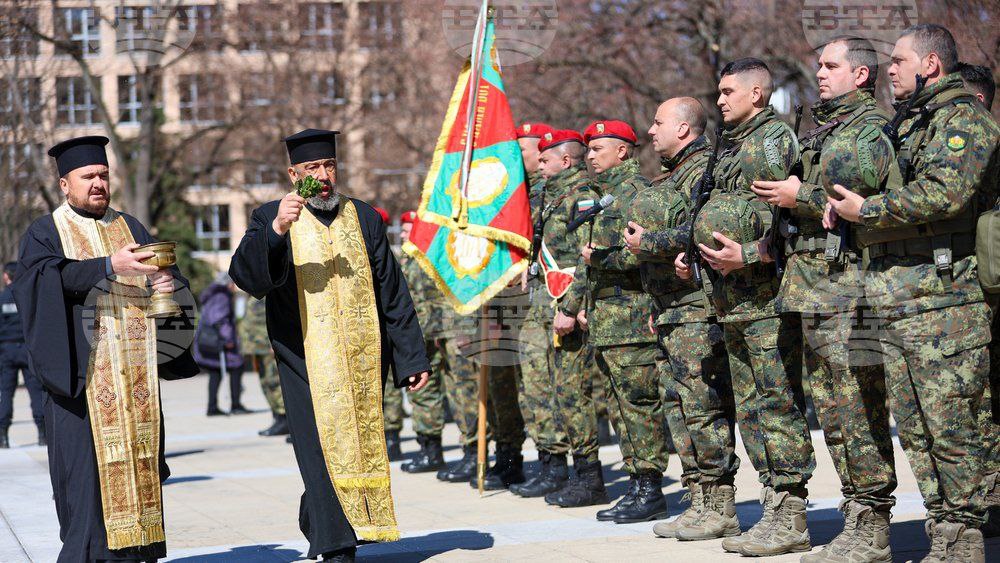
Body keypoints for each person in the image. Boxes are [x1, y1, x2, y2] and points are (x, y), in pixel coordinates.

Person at [827, 24, 1000, 561]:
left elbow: (946, 194)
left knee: (953, 425)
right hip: (900, 296)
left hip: (945, 300)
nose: (891, 70)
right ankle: (944, 532)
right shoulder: (911, 124)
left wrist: (866, 211)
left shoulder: (964, 120)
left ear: (930, 64)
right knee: (920, 431)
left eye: (899, 61)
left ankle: (967, 536)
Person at [229, 128, 430, 562]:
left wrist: (411, 356)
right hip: (303, 358)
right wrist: (278, 230)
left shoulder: (364, 216)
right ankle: (337, 545)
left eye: (329, 166)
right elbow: (247, 277)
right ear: (293, 173)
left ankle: (320, 519)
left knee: (354, 446)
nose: (323, 176)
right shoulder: (270, 215)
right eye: (312, 168)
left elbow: (391, 289)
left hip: (362, 357)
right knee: (318, 450)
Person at [741, 37, 899, 562]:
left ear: (860, 75)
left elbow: (857, 203)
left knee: (857, 406)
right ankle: (856, 515)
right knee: (833, 409)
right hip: (812, 284)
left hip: (848, 286)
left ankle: (872, 523)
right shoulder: (825, 128)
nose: (821, 72)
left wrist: (798, 196)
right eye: (819, 64)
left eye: (832, 66)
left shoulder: (869, 129)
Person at [14, 135, 200, 562]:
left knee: (142, 483)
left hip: (134, 388)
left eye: (103, 174)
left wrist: (170, 285)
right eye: (88, 177)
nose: (98, 183)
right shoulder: (45, 232)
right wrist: (106, 266)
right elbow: (43, 283)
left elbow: (168, 278)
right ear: (65, 184)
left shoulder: (131, 227)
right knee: (85, 497)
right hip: (80, 387)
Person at [684, 58, 816, 556]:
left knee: (777, 403)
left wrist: (751, 254)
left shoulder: (771, 139)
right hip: (730, 300)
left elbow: (786, 220)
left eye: (728, 91)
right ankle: (772, 505)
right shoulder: (731, 145)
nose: (719, 100)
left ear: (757, 94)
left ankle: (791, 511)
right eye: (717, 92)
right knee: (754, 408)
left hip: (765, 298)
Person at [623, 98, 740, 541]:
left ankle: (721, 503)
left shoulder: (704, 172)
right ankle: (700, 497)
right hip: (668, 308)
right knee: (679, 406)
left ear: (685, 129)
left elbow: (698, 229)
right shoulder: (670, 175)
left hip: (695, 307)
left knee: (703, 405)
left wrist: (649, 241)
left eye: (659, 123)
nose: (651, 131)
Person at [554, 120, 670, 524]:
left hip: (633, 317)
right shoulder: (603, 197)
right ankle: (639, 482)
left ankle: (650, 487)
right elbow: (589, 265)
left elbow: (644, 254)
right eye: (587, 149)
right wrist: (578, 302)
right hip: (606, 319)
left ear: (623, 151)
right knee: (620, 406)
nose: (589, 156)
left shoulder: (636, 194)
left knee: (639, 404)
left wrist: (600, 260)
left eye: (598, 148)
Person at [519, 130, 609, 506]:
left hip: (565, 307)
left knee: (573, 394)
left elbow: (587, 258)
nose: (539, 166)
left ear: (565, 161)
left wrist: (571, 307)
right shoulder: (550, 197)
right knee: (543, 388)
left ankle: (589, 476)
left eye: (544, 160)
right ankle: (555, 466)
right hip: (543, 305)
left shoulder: (583, 197)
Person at [510, 122, 574, 498]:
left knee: (552, 384)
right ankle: (548, 460)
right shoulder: (525, 195)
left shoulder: (554, 194)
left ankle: (562, 464)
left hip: (554, 298)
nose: (517, 157)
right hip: (530, 299)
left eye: (523, 150)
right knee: (532, 383)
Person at [397, 210, 448, 473]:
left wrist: (436, 332)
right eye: (403, 230)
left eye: (407, 230)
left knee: (428, 393)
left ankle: (434, 452)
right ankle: (427, 447)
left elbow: (436, 299)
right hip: (414, 334)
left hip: (430, 334)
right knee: (419, 393)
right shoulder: (406, 257)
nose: (404, 234)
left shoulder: (428, 258)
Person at [0, 261, 46, 448]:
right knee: (35, 392)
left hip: (7, 351)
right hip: (27, 350)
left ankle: (3, 436)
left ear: (6, 276)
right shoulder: (26, 296)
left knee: (6, 393)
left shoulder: (2, 298)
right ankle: (42, 434)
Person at [194, 272, 248, 416]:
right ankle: (235, 405)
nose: (234, 287)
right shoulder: (222, 296)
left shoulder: (212, 295)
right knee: (237, 366)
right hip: (219, 341)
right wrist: (228, 340)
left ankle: (212, 407)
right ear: (228, 284)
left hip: (209, 341)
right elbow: (220, 320)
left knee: (215, 372)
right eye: (233, 283)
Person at [241, 295, 288, 436]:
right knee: (265, 382)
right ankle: (278, 417)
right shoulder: (252, 296)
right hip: (256, 347)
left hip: (266, 346)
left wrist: (273, 343)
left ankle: (285, 418)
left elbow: (273, 320)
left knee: (274, 382)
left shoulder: (264, 295)